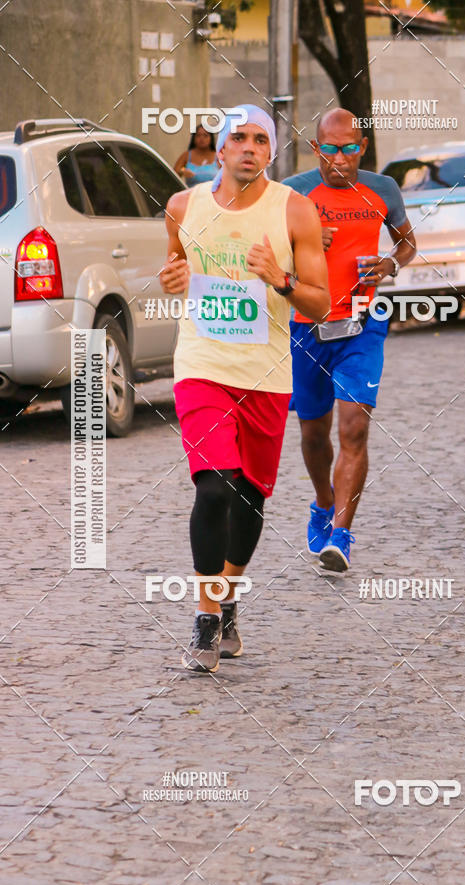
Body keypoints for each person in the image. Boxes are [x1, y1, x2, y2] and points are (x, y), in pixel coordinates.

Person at [160, 104, 330, 673]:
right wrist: (172, 277)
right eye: (240, 137)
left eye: (262, 139)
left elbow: (320, 301)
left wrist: (279, 280)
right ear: (221, 148)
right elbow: (175, 268)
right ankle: (207, 617)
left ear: (271, 151)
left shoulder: (295, 212)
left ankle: (229, 598)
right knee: (213, 488)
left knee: (248, 496)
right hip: (203, 364)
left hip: (265, 375)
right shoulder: (184, 206)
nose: (250, 147)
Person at [283, 108, 416, 573]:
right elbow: (264, 251)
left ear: (362, 147)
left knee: (354, 427)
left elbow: (407, 242)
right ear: (316, 148)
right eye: (331, 148)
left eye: (350, 148)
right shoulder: (293, 191)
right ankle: (323, 502)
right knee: (313, 432)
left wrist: (390, 265)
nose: (340, 158)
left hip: (364, 322)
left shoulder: (383, 189)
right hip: (307, 325)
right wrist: (304, 242)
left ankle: (341, 532)